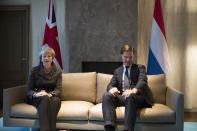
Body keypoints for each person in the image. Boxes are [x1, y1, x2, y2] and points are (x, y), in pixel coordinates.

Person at [102, 45, 153, 131]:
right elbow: (110, 85)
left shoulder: (140, 68)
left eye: (131, 57)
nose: (128, 60)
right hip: (123, 97)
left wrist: (133, 90)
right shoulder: (117, 71)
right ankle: (110, 127)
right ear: (121, 56)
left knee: (130, 97)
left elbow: (143, 81)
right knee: (106, 96)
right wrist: (112, 89)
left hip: (137, 97)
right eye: (126, 57)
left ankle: (128, 129)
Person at [26, 47, 62, 131]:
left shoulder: (58, 71)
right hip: (37, 96)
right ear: (41, 58)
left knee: (56, 101)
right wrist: (36, 94)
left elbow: (58, 88)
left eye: (49, 56)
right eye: (44, 56)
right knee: (45, 98)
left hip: (51, 95)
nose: (46, 58)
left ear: (52, 58)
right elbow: (28, 89)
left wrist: (50, 94)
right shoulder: (34, 70)